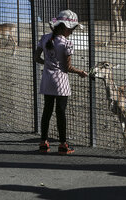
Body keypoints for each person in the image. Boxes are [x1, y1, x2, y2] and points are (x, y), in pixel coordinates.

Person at [34, 9, 88, 155]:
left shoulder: (45, 38)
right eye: (72, 29)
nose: (72, 31)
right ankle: (63, 144)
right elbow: (67, 67)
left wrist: (48, 64)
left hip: (47, 80)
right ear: (65, 27)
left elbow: (36, 58)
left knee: (47, 110)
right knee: (60, 112)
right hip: (61, 83)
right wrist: (80, 72)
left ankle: (43, 142)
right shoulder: (66, 43)